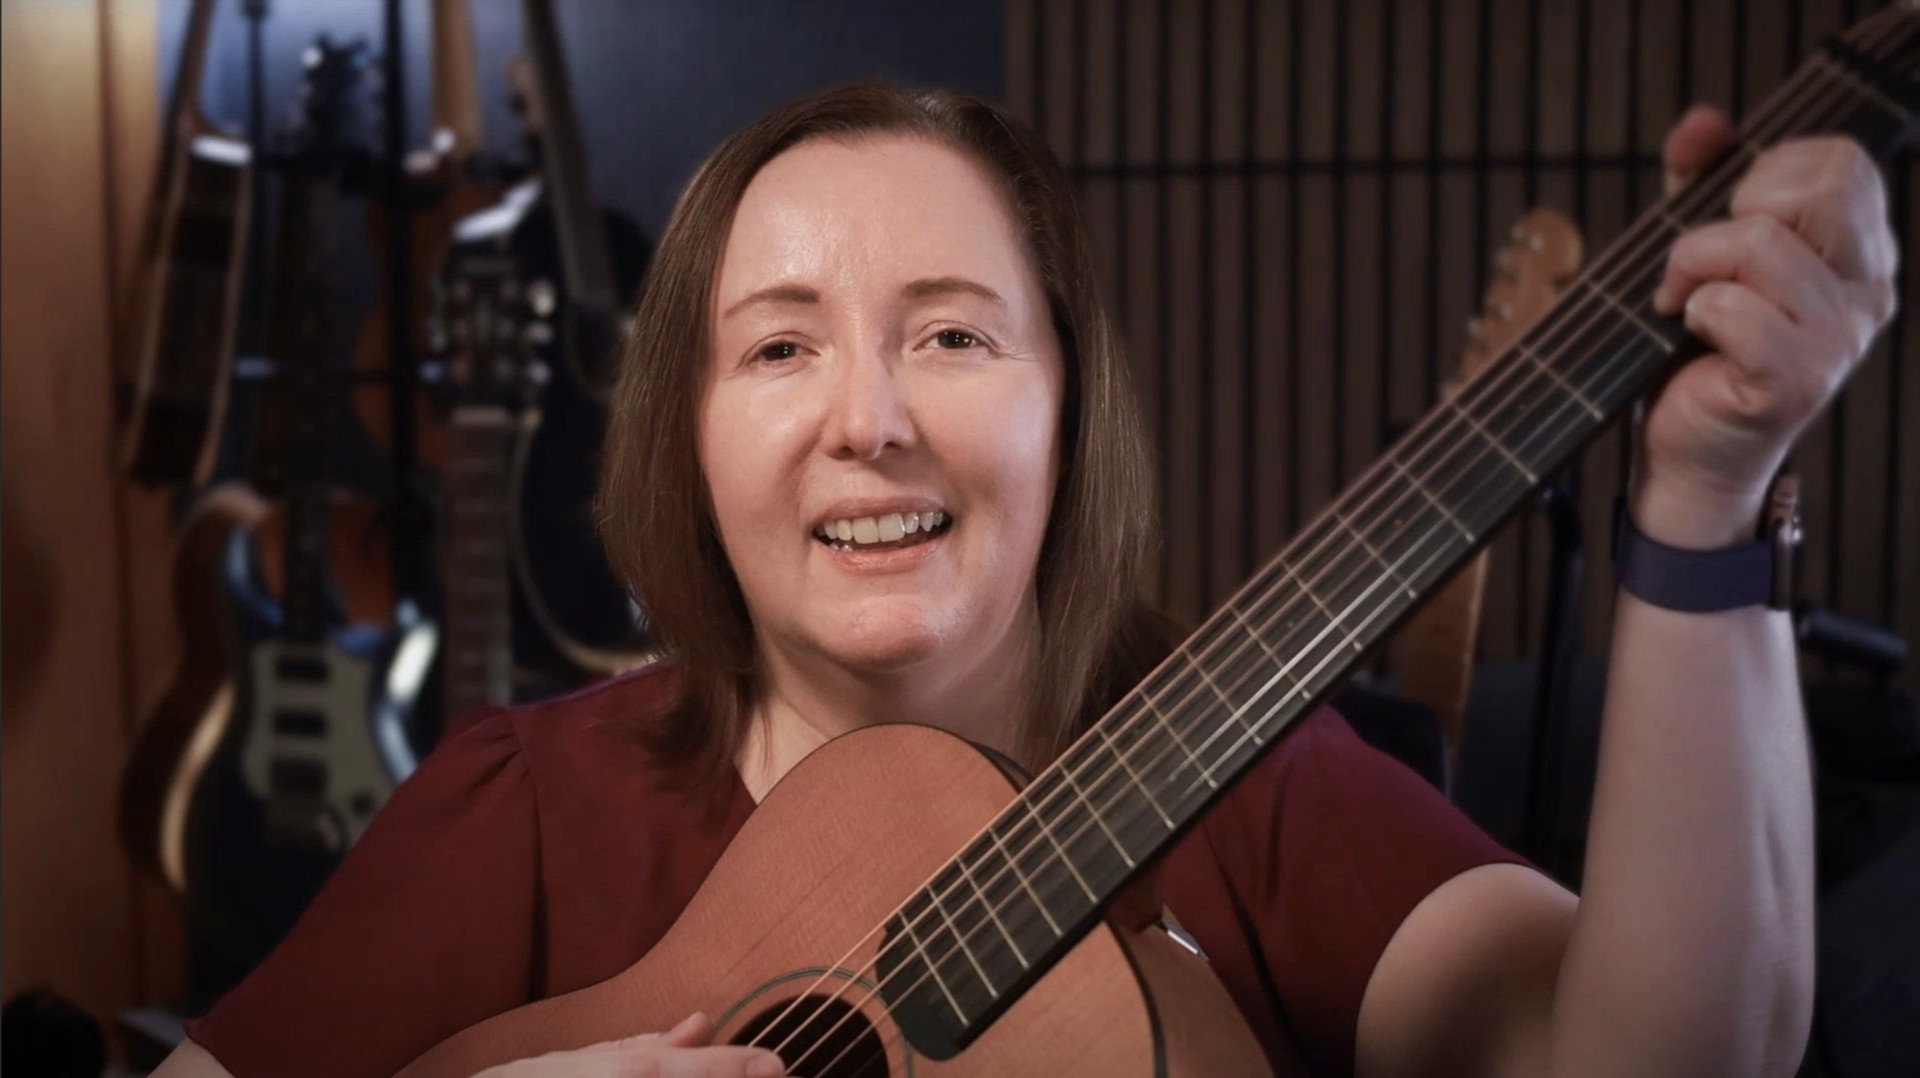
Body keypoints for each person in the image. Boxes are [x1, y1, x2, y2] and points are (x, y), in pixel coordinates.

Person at [152, 80, 1898, 1077]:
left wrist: (1708, 497)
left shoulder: (1250, 780)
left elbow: (1670, 1056)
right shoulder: (526, 805)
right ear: (687, 433)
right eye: (779, 349)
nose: (871, 421)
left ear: (1070, 408)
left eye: (955, 336)